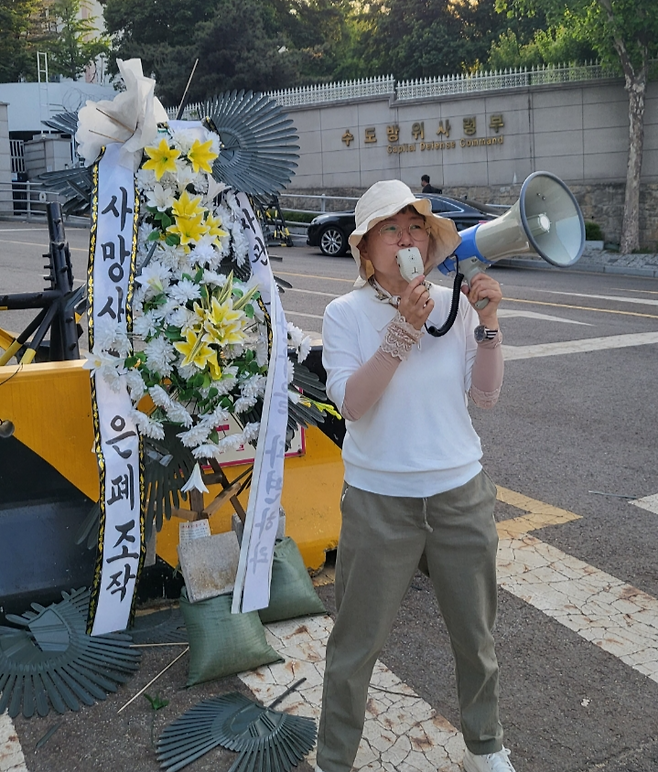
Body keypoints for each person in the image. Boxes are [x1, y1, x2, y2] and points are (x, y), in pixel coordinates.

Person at [317, 179, 515, 772]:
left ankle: (486, 746)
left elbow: (485, 395)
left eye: (415, 228)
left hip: (461, 493)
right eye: (391, 229)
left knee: (475, 638)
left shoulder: (452, 307)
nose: (407, 239)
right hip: (381, 502)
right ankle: (334, 759)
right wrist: (402, 329)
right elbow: (354, 403)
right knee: (356, 646)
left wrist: (488, 322)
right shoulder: (345, 313)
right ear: (366, 250)